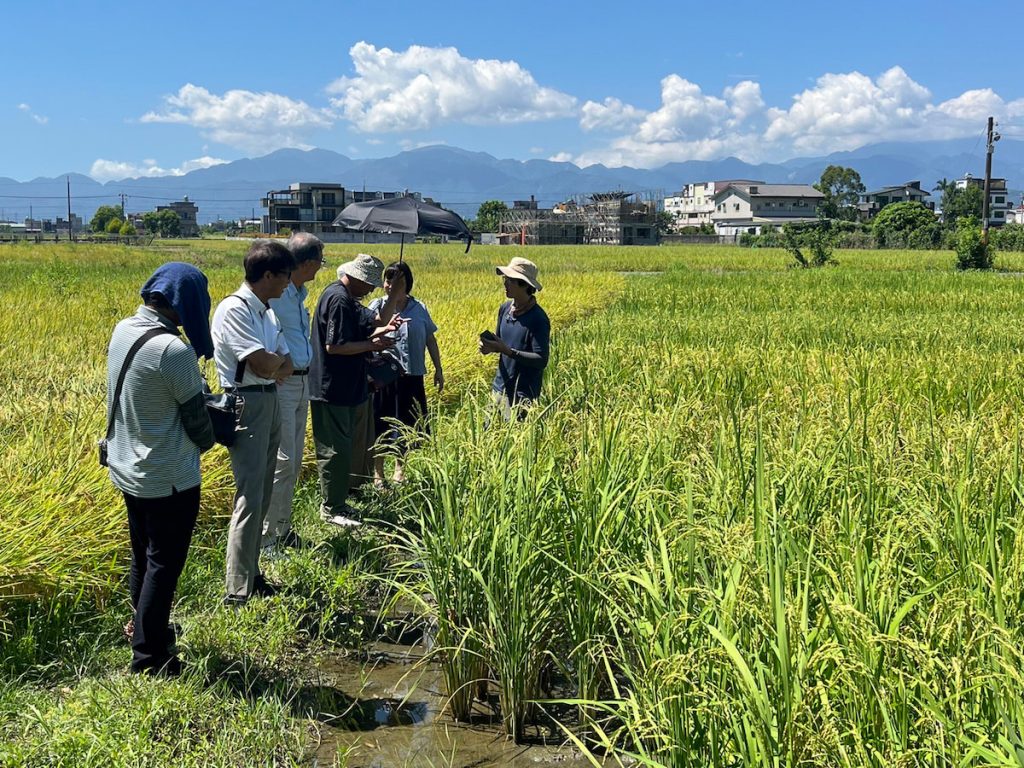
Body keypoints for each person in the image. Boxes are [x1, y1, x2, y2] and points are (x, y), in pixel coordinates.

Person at [105, 262, 215, 676]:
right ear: (187, 303)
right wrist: (216, 432)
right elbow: (199, 425)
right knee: (164, 565)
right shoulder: (173, 350)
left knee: (143, 556)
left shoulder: (123, 329)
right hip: (168, 475)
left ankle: (143, 628)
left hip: (128, 466)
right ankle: (150, 657)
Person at [211, 240, 295, 605]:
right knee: (249, 495)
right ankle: (237, 588)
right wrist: (272, 363)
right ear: (268, 275)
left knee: (262, 492)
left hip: (268, 398)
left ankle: (252, 573)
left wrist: (271, 363)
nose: (288, 283)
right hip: (246, 401)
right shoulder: (235, 309)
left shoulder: (266, 311)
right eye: (285, 276)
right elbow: (262, 365)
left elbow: (287, 364)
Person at [308, 254, 403, 527]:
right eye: (369, 283)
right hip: (331, 388)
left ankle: (338, 502)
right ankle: (331, 508)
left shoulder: (349, 299)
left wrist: (393, 294)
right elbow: (335, 346)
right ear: (356, 278)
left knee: (343, 448)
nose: (372, 289)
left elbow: (377, 320)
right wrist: (372, 345)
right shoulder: (338, 299)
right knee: (334, 451)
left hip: (346, 387)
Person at [262, 233, 325, 555]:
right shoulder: (278, 293)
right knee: (282, 461)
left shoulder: (298, 294)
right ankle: (267, 537)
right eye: (320, 262)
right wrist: (274, 367)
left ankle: (283, 528)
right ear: (309, 263)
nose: (321, 268)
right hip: (283, 384)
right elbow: (264, 332)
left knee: (294, 461)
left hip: (302, 382)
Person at [368, 261, 443, 487]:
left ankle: (400, 470)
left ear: (407, 283)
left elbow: (430, 339)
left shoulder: (419, 308)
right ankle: (378, 473)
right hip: (383, 378)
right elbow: (365, 336)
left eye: (397, 280)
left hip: (412, 375)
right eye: (388, 280)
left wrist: (438, 369)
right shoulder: (377, 306)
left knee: (406, 424)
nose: (391, 285)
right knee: (380, 424)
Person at [479, 256, 550, 420]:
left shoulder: (538, 319)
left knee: (515, 434)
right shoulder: (505, 309)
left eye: (510, 280)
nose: (505, 284)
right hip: (499, 388)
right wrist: (489, 347)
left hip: (522, 395)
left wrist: (509, 352)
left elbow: (541, 359)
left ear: (524, 284)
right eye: (505, 279)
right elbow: (500, 343)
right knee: (488, 431)